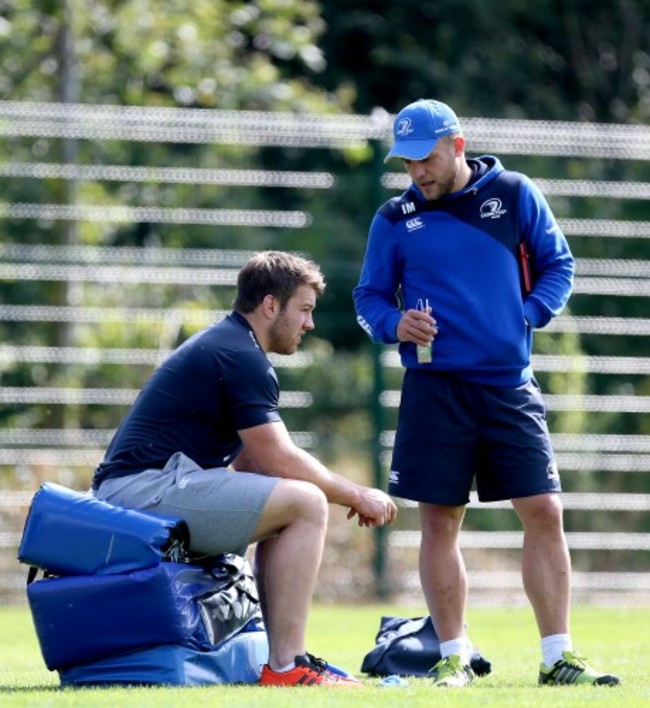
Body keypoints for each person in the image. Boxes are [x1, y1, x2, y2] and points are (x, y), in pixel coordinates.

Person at [353, 99, 619, 688]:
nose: (417, 171)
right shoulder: (394, 218)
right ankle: (453, 654)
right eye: (407, 161)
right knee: (440, 522)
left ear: (456, 144)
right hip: (433, 388)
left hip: (508, 386)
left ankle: (558, 657)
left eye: (425, 157)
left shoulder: (516, 193)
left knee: (545, 512)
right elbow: (367, 298)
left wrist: (524, 316)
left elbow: (559, 265)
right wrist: (395, 324)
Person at [92, 250, 397, 688]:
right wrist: (356, 494)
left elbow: (255, 462)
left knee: (288, 501)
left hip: (142, 487)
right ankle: (288, 666)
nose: (309, 324)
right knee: (306, 501)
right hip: (139, 491)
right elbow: (278, 457)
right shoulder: (239, 353)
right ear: (271, 305)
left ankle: (287, 661)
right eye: (305, 310)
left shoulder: (232, 344)